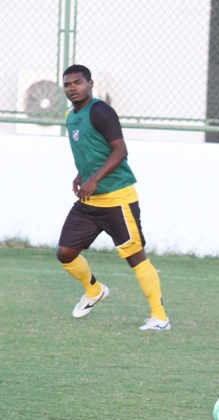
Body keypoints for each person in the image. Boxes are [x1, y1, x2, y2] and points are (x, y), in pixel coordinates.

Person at [57, 64, 169, 331]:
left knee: (135, 258)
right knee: (66, 253)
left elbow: (120, 151)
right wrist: (81, 174)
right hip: (89, 201)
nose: (72, 88)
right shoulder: (71, 115)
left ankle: (160, 318)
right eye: (68, 84)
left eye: (78, 83)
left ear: (90, 84)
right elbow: (92, 149)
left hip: (117, 199)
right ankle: (94, 290)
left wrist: (94, 179)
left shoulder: (101, 111)